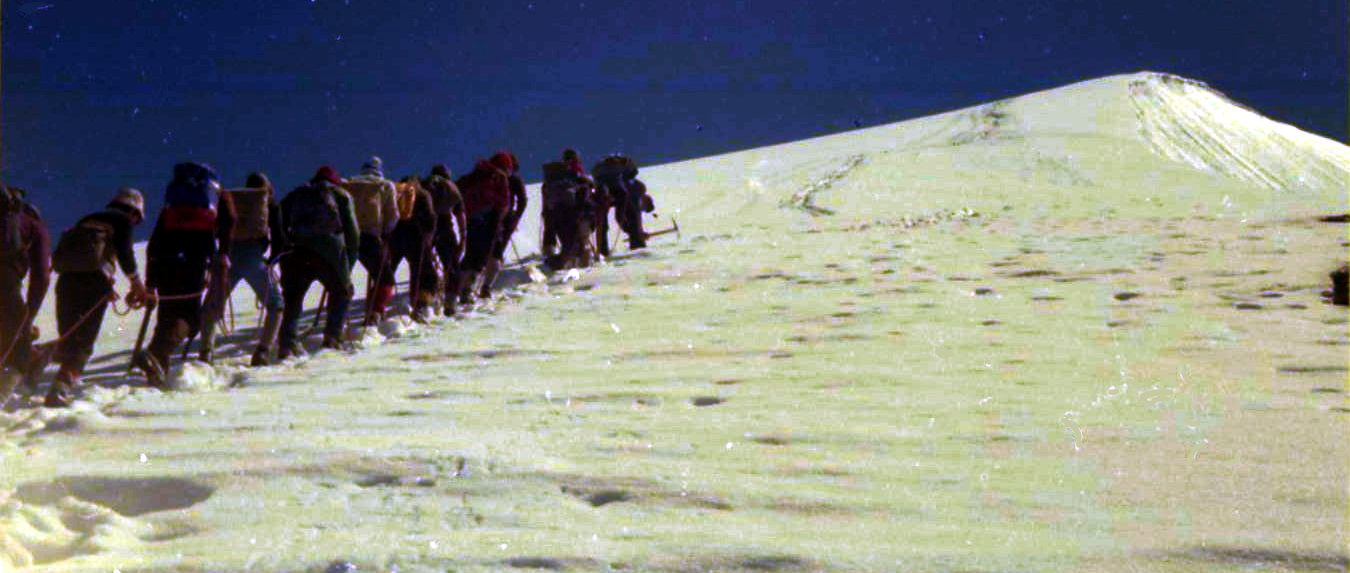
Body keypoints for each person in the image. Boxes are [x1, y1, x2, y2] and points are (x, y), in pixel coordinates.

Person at [133, 162, 235, 388]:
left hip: (164, 261)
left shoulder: (172, 205)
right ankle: (156, 354)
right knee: (190, 319)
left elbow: (155, 241)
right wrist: (222, 254)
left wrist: (151, 283)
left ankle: (157, 365)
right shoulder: (218, 196)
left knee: (166, 318)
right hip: (193, 260)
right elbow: (230, 221)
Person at [45, 188, 150, 407]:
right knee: (84, 343)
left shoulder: (87, 220)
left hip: (66, 280)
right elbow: (125, 253)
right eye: (137, 218)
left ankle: (31, 363)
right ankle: (60, 389)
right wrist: (137, 283)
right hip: (94, 283)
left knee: (69, 335)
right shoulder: (121, 221)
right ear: (133, 211)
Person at [198, 173, 288, 366]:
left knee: (212, 305)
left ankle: (205, 352)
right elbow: (279, 238)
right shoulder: (268, 203)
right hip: (254, 256)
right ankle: (262, 351)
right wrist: (271, 261)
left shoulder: (232, 200)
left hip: (227, 254)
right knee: (276, 303)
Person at [276, 166, 360, 358]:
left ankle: (287, 345)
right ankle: (332, 338)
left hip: (297, 250)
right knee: (342, 292)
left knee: (293, 299)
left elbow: (279, 219)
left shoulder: (297, 194)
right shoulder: (341, 195)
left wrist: (286, 245)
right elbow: (352, 233)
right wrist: (349, 263)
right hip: (330, 251)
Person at [0, 185, 51, 404]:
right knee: (19, 350)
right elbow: (41, 276)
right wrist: (28, 316)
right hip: (5, 279)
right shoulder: (35, 227)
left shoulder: (11, 222)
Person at [342, 157, 399, 323]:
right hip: (370, 236)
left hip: (346, 237)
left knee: (339, 279)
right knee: (385, 278)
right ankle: (375, 312)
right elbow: (392, 215)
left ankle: (336, 323)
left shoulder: (347, 184)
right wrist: (385, 233)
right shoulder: (385, 185)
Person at [454, 153, 512, 304]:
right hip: (491, 217)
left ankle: (465, 289)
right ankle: (485, 288)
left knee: (473, 254)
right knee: (493, 254)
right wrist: (501, 216)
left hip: (472, 218)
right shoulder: (499, 177)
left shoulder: (474, 175)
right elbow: (504, 201)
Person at [388, 175, 437, 321]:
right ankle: (421, 306)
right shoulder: (423, 194)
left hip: (394, 236)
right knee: (426, 273)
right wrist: (429, 239)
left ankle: (374, 308)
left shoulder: (395, 194)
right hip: (417, 236)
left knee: (386, 272)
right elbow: (430, 218)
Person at [480, 152, 528, 298]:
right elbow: (522, 200)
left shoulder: (489, 177)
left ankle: (482, 278)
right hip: (506, 217)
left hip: (486, 217)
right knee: (498, 248)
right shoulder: (514, 179)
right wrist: (516, 218)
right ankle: (488, 282)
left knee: (487, 247)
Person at [422, 165, 466, 316]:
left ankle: (422, 303)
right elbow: (460, 214)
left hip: (425, 227)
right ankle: (450, 303)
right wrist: (463, 237)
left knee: (423, 265)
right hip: (445, 227)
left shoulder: (424, 184)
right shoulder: (450, 187)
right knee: (452, 265)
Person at [592, 154, 649, 251]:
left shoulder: (603, 168)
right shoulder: (604, 171)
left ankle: (603, 250)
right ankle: (636, 240)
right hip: (608, 193)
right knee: (623, 217)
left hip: (614, 192)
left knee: (610, 221)